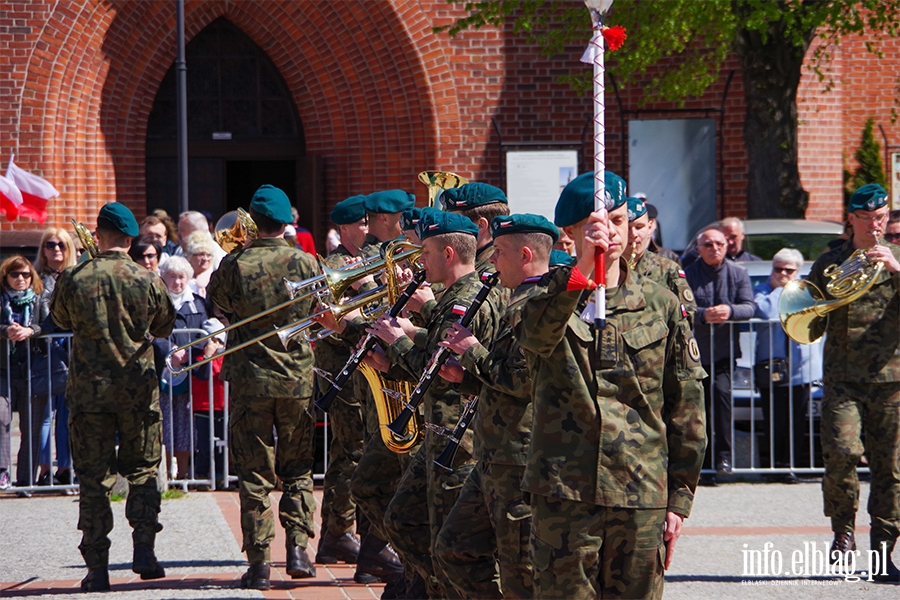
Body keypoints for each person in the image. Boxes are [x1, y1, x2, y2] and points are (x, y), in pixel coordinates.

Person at [517, 171, 706, 598]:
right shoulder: (543, 295)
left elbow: (686, 405)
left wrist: (679, 498)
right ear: (569, 232)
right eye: (595, 225)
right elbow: (535, 339)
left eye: (618, 221)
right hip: (565, 494)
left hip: (640, 491)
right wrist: (584, 265)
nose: (611, 232)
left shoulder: (661, 304)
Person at [364, 207, 505, 599]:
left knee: (445, 539)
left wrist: (399, 342)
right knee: (405, 520)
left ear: (447, 253)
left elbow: (440, 372)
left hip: (457, 438)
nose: (419, 260)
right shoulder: (454, 297)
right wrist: (391, 361)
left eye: (425, 252)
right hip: (440, 433)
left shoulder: (466, 301)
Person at [51, 202, 176, 592]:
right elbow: (165, 324)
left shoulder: (74, 277)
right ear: (128, 238)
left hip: (90, 393)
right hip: (138, 390)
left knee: (93, 480)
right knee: (142, 472)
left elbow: (60, 319)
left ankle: (97, 569)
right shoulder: (146, 277)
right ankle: (144, 552)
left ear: (99, 234)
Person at [433, 213, 556, 599]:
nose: (493, 261)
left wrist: (471, 353)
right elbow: (506, 376)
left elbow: (521, 382)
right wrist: (467, 377)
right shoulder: (516, 298)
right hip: (494, 452)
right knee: (452, 548)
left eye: (499, 252)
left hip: (518, 456)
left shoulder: (539, 305)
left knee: (520, 569)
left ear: (524, 254)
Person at [207, 185, 320, 590]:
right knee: (298, 468)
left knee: (255, 473)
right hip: (295, 378)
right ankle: (298, 550)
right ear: (287, 221)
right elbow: (317, 308)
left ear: (253, 221)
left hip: (251, 379)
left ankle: (258, 563)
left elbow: (216, 300)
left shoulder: (236, 262)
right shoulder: (307, 260)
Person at [808, 184, 900, 581]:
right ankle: (843, 532)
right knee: (843, 453)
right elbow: (808, 311)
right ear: (852, 219)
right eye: (867, 218)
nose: (875, 226)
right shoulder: (831, 261)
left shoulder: (897, 262)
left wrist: (897, 269)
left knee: (890, 468)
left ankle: (883, 549)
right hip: (844, 378)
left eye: (881, 218)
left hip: (891, 379)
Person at [312, 195, 370, 575]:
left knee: (348, 453)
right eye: (361, 223)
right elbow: (322, 322)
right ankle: (339, 528)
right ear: (346, 229)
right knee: (352, 452)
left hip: (359, 367)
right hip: (342, 369)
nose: (367, 228)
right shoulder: (333, 267)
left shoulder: (365, 261)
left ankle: (335, 534)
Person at [684, 226, 755, 481]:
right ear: (698, 249)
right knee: (697, 408)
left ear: (726, 246)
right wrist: (703, 315)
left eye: (719, 244)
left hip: (724, 353)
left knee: (722, 398)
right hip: (694, 354)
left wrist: (730, 311)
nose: (715, 249)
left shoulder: (738, 273)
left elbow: (750, 307)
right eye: (708, 245)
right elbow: (680, 308)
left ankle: (724, 456)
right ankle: (701, 462)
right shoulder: (688, 274)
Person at [752, 248, 823, 480]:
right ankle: (774, 465)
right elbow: (767, 311)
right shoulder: (762, 290)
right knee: (774, 418)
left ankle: (791, 465)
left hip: (800, 366)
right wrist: (779, 290)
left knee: (796, 419)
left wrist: (790, 288)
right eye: (778, 268)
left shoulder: (807, 291)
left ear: (798, 271)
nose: (782, 273)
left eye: (789, 270)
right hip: (771, 366)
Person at [155, 256, 210, 480]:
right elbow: (151, 332)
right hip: (163, 371)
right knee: (165, 423)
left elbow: (206, 332)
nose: (177, 282)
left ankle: (184, 475)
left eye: (182, 277)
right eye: (172, 277)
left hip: (189, 372)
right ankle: (166, 473)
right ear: (164, 278)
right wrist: (170, 349)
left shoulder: (197, 303)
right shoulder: (158, 303)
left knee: (186, 424)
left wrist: (189, 352)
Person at [0, 256, 51, 496]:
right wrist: (5, 331)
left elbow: (51, 324)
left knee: (32, 426)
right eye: (15, 274)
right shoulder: (1, 301)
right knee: (1, 419)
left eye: (26, 274)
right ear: (6, 277)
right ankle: (2, 471)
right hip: (3, 369)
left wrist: (31, 330)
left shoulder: (40, 298)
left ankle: (26, 481)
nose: (21, 279)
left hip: (33, 370)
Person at [34, 227, 78, 487]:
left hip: (72, 349)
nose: (56, 249)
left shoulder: (77, 276)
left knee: (67, 413)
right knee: (45, 415)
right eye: (50, 244)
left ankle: (65, 467)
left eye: (61, 244)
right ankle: (43, 469)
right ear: (43, 249)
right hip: (44, 349)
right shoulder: (35, 278)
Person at [624, 197, 695, 313]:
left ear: (650, 227)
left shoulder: (668, 268)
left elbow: (687, 311)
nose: (633, 234)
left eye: (639, 227)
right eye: (627, 228)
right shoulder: (604, 267)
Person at [183, 230, 217, 298]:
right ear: (190, 256)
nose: (205, 259)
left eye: (208, 255)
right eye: (201, 254)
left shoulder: (215, 279)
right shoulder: (183, 276)